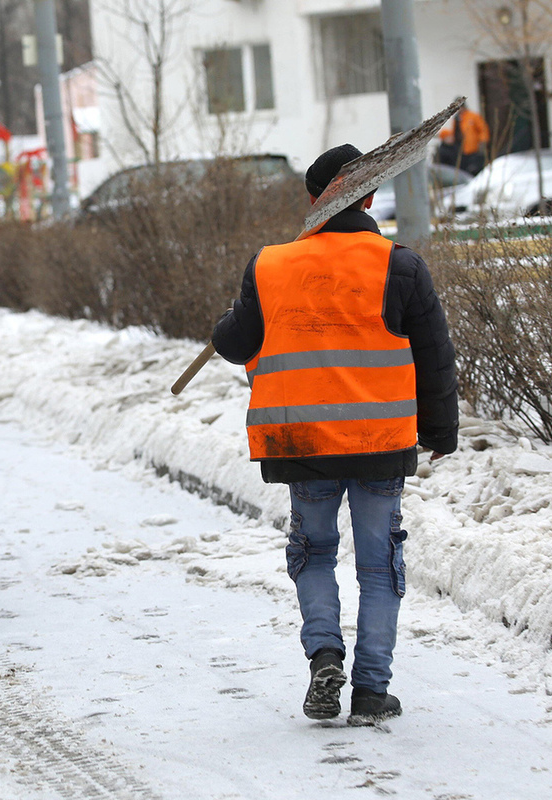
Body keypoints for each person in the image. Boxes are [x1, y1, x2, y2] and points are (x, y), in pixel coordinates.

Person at [210, 144, 458, 727]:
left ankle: (324, 655)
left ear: (312, 199)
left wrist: (232, 316)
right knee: (379, 565)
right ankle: (371, 691)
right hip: (378, 443)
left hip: (303, 445)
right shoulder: (400, 265)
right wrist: (440, 431)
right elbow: (435, 357)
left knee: (314, 553)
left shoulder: (269, 265)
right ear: (367, 197)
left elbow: (234, 344)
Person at [437, 103, 490, 175]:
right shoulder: (457, 119)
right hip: (462, 150)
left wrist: (483, 142)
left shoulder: (473, 116)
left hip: (474, 149)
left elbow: (483, 129)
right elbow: (455, 133)